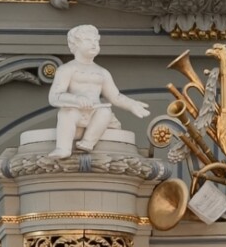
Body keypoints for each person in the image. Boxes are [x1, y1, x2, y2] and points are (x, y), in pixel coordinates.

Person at [46, 25, 151, 158]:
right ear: (75, 44)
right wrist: (76, 100)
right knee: (66, 114)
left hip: (95, 112)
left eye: (96, 41)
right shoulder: (67, 69)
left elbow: (115, 96)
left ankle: (88, 142)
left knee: (105, 111)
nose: (94, 44)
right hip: (76, 112)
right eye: (89, 40)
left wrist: (131, 104)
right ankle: (63, 148)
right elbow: (54, 97)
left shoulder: (102, 72)